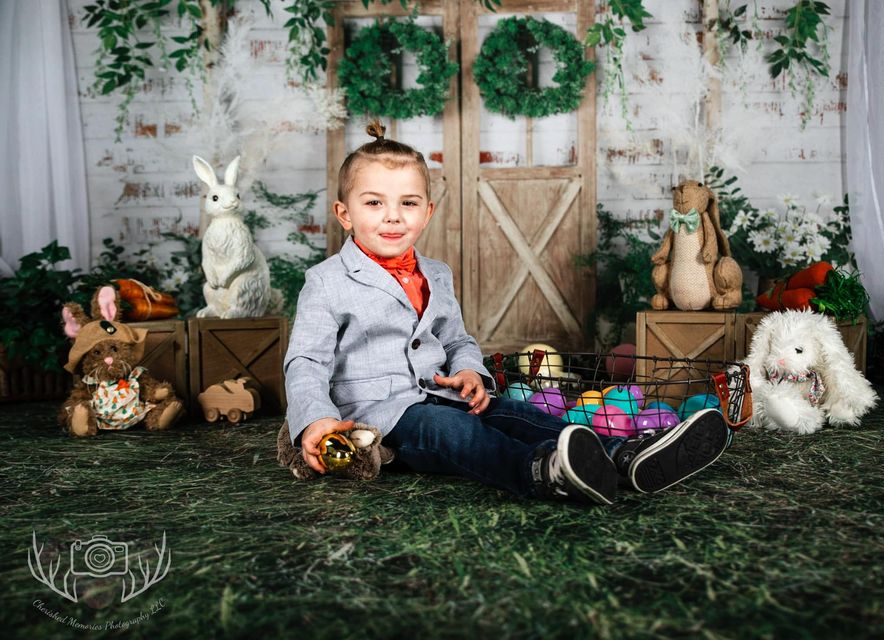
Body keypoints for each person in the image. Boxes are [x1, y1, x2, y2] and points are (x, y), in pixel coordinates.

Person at [283, 121, 731, 505]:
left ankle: (624, 455)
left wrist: (470, 372)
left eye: (409, 203)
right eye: (374, 203)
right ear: (344, 213)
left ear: (428, 212)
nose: (393, 217)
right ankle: (542, 471)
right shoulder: (327, 281)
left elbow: (457, 340)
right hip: (381, 416)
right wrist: (316, 419)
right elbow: (306, 361)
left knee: (518, 415)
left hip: (444, 395)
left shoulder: (436, 273)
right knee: (456, 434)